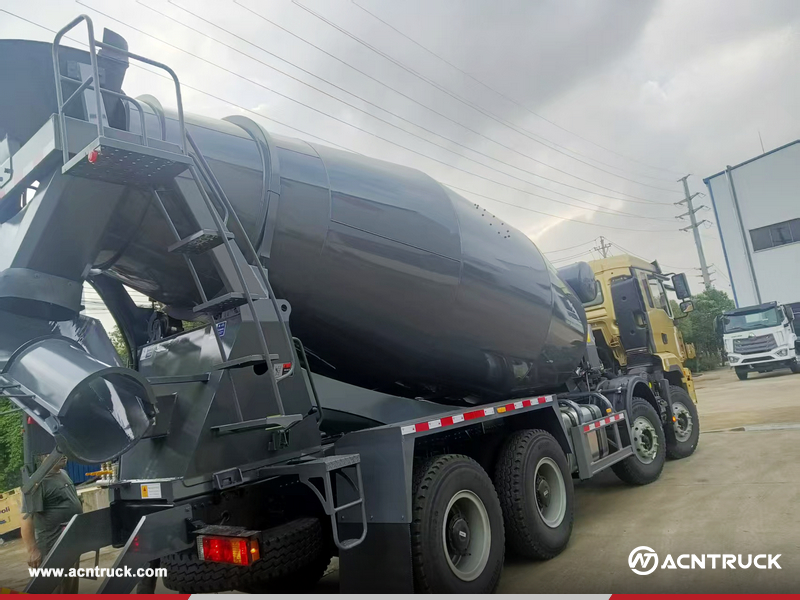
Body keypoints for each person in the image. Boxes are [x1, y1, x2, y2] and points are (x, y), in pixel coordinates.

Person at [20, 455, 83, 594]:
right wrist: (32, 551)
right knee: (55, 589)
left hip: (69, 544)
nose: (64, 455)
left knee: (69, 588)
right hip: (51, 548)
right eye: (57, 451)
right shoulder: (37, 482)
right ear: (43, 456)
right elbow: (26, 518)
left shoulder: (63, 474)